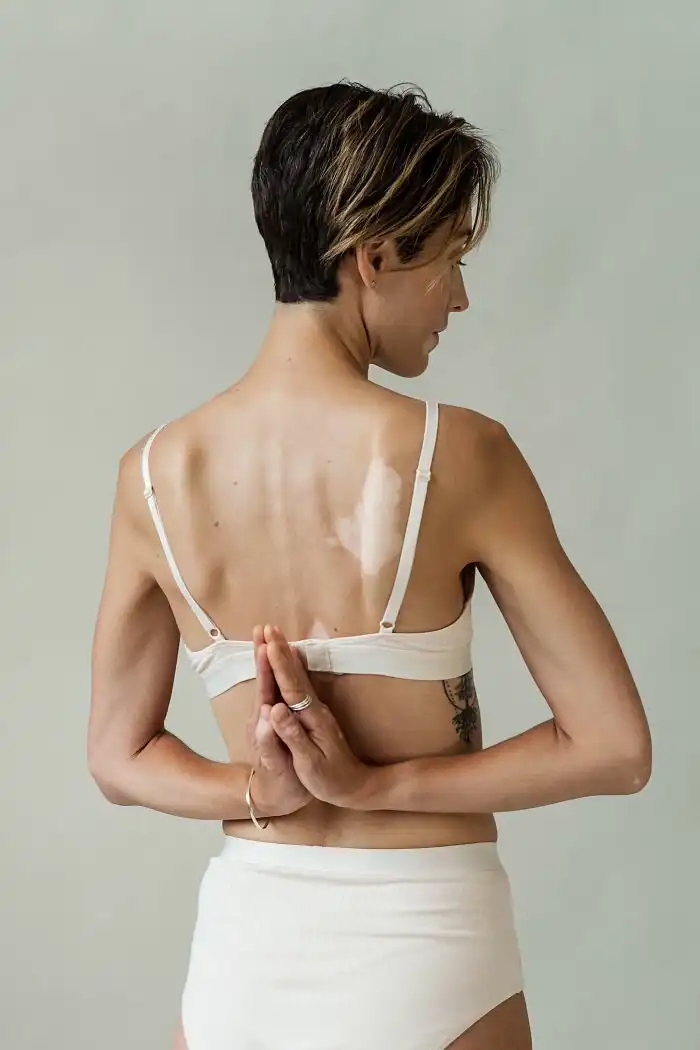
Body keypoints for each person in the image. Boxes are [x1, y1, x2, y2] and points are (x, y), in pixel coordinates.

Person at [87, 81, 652, 1050]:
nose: (460, 298)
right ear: (374, 256)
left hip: (243, 961)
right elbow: (615, 747)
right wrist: (370, 787)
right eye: (451, 259)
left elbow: (115, 757)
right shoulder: (460, 456)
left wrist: (260, 793)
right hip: (427, 945)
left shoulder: (152, 474)